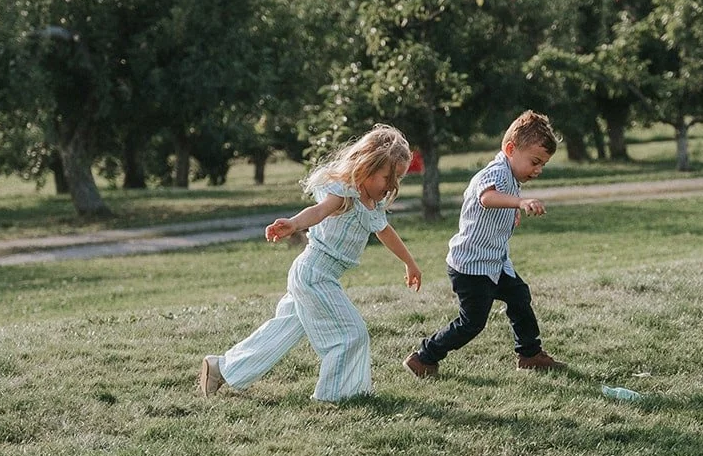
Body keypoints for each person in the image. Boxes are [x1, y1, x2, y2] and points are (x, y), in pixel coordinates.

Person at [200, 124, 422, 403]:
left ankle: (222, 367)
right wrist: (293, 224)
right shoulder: (345, 193)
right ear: (366, 166)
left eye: (397, 179)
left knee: (282, 331)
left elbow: (385, 232)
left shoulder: (371, 204)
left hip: (318, 275)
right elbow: (318, 211)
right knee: (351, 333)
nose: (391, 186)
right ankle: (335, 397)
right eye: (386, 177)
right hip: (314, 274)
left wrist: (410, 263)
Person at [405, 110, 564, 378]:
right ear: (511, 149)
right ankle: (424, 357)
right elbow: (487, 198)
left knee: (519, 298)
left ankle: (529, 354)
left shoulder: (512, 176)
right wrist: (520, 203)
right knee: (472, 323)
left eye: (542, 165)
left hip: (495, 262)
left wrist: (511, 213)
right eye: (535, 162)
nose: (537, 170)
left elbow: (494, 205)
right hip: (472, 266)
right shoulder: (496, 172)